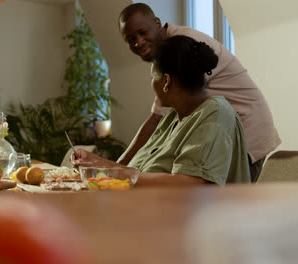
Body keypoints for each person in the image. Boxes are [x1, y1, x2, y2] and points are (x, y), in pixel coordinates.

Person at [116, 3, 280, 182]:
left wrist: (117, 171)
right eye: (130, 39)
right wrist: (111, 169)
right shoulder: (174, 113)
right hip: (220, 127)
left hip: (247, 127)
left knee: (221, 192)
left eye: (142, 32)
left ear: (167, 81)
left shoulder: (181, 49)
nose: (138, 42)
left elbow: (156, 119)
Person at [73, 35, 250, 186]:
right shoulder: (172, 117)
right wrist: (96, 163)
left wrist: (113, 173)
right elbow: (140, 172)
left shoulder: (215, 115)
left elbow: (189, 185)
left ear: (166, 81)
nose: (151, 84)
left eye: (152, 77)